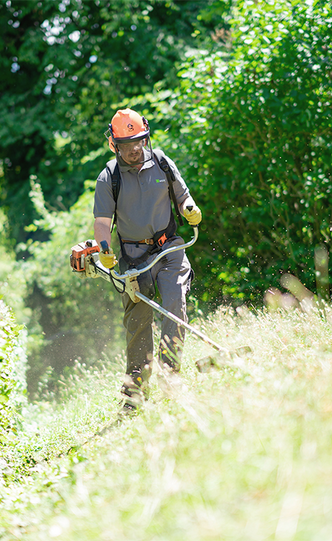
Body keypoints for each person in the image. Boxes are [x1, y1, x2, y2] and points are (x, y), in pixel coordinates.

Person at [93, 108, 202, 411]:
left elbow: (182, 197)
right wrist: (104, 247)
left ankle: (171, 376)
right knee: (138, 320)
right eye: (127, 146)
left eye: (139, 142)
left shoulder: (163, 163)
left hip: (168, 248)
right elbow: (102, 221)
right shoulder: (109, 177)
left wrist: (190, 208)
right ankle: (135, 388)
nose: (134, 150)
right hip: (134, 257)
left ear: (146, 136)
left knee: (174, 302)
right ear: (114, 145)